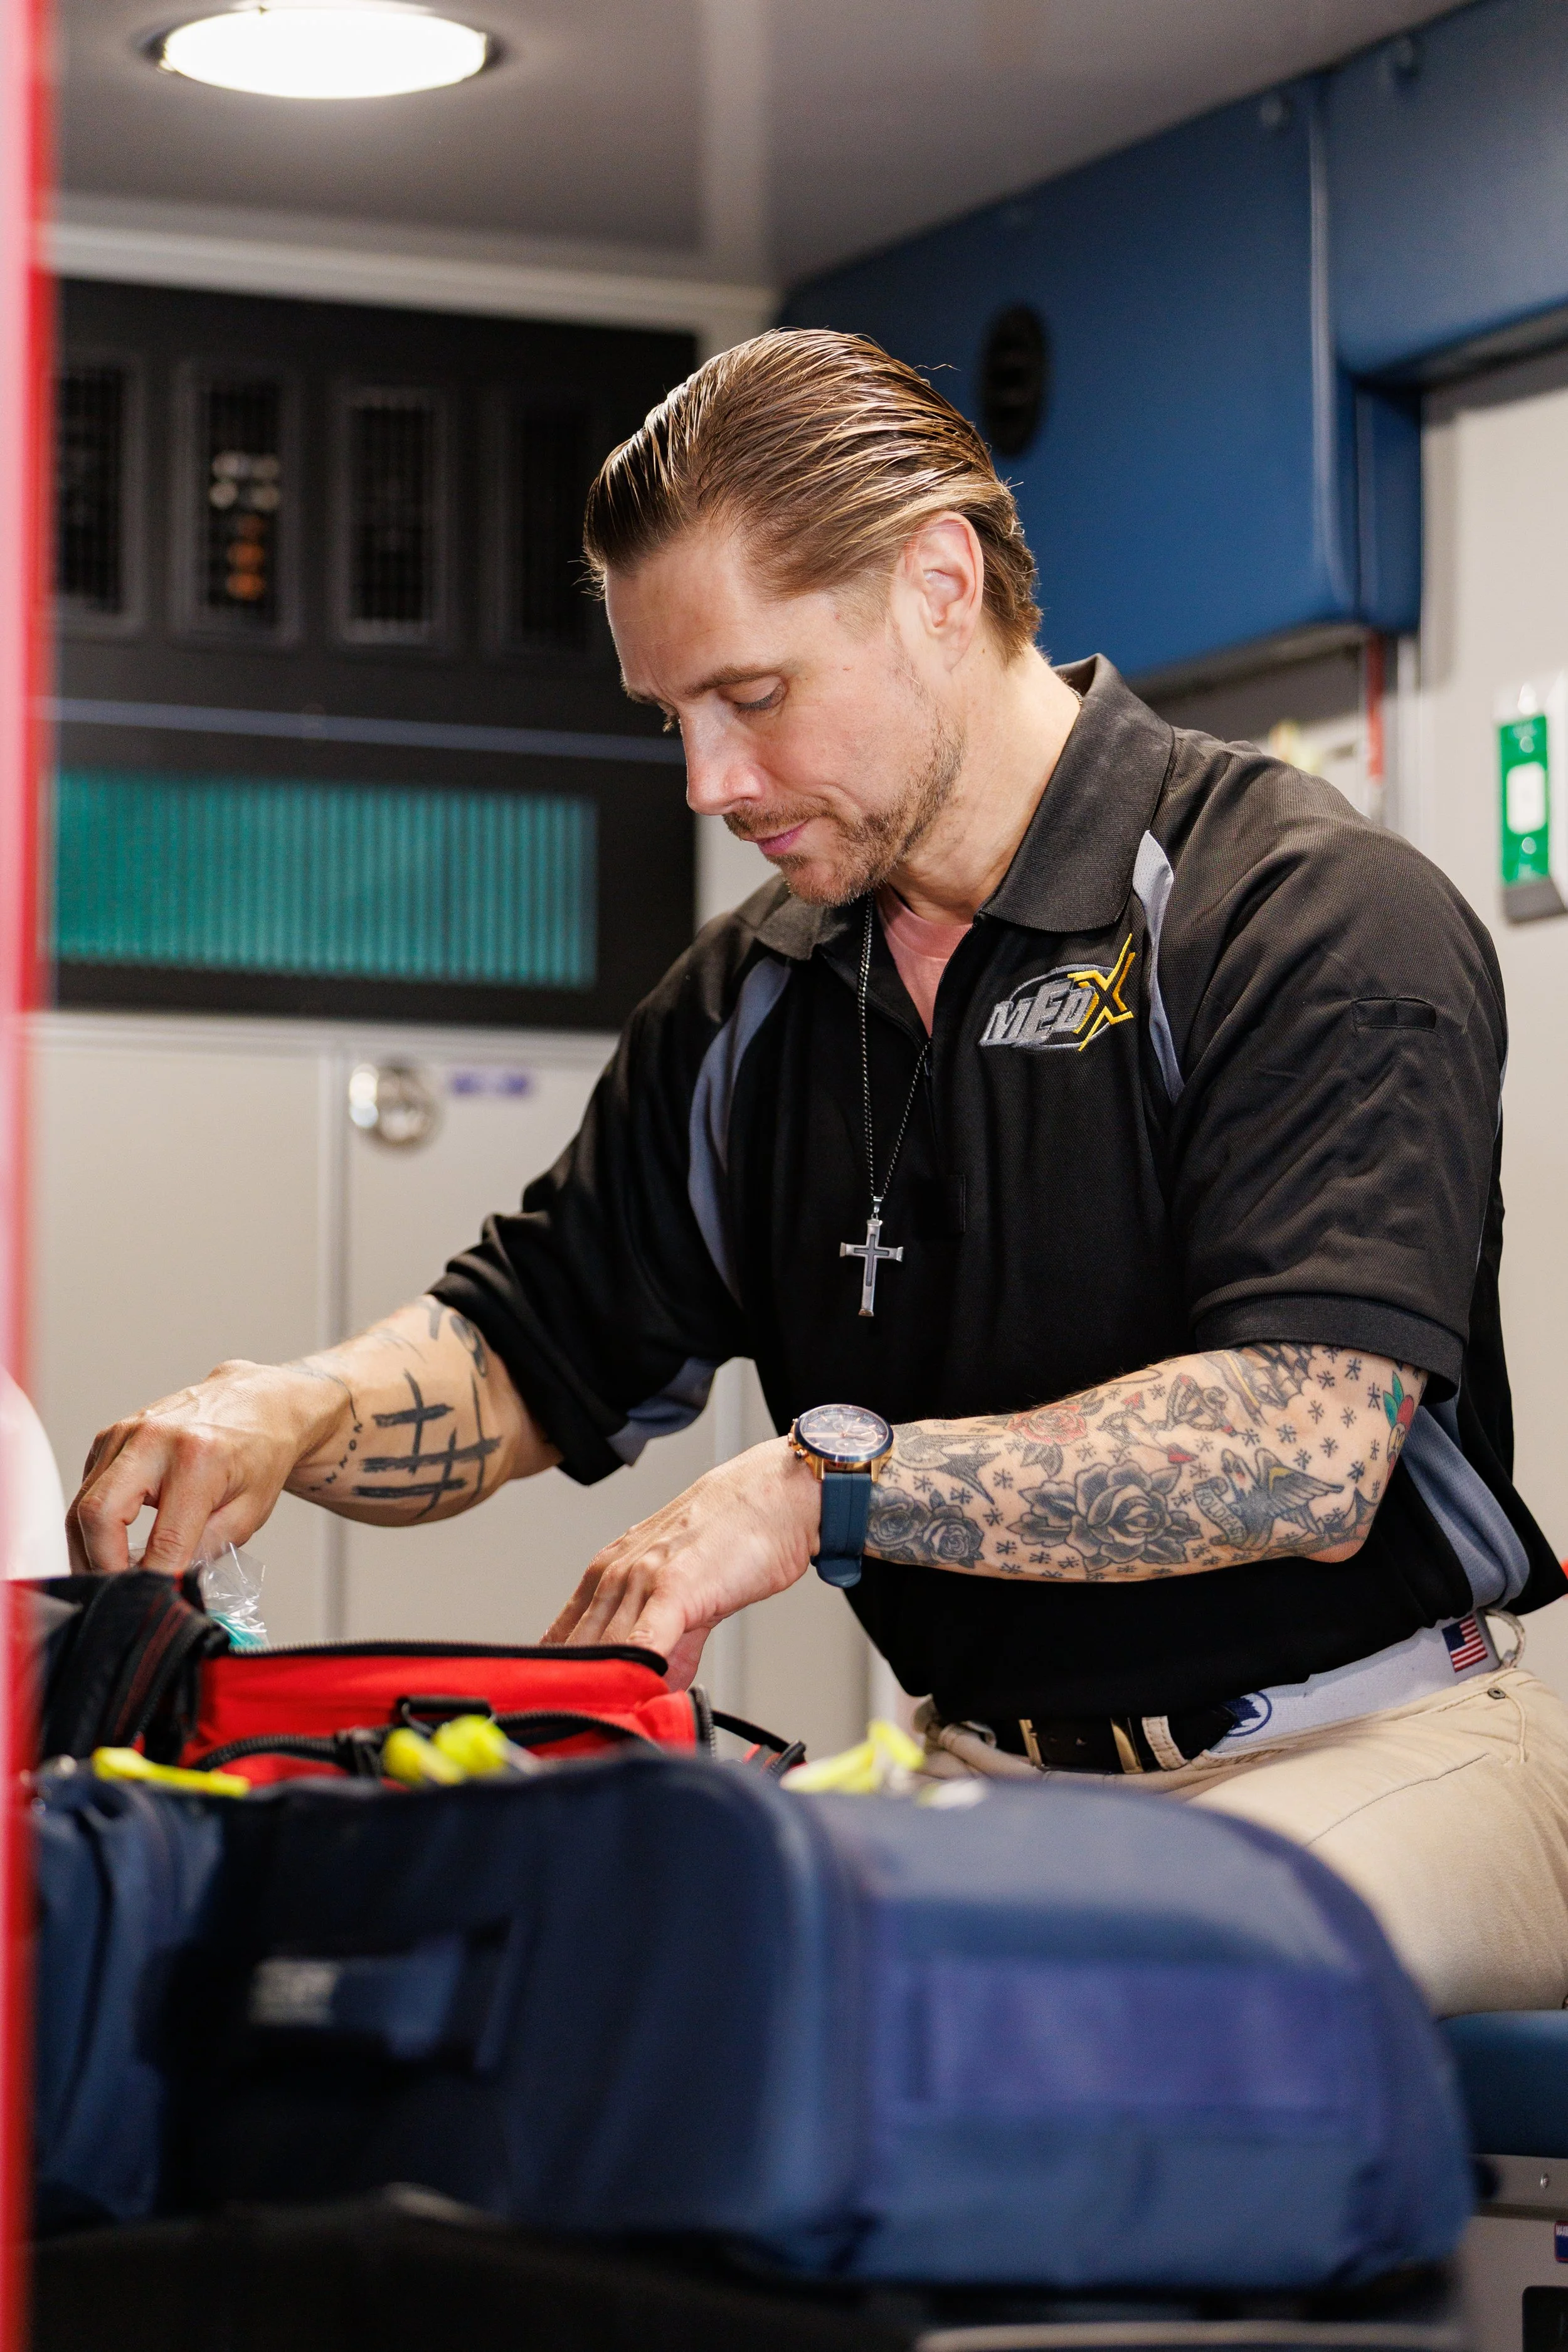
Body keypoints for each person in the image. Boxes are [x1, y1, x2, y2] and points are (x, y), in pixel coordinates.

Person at [67, 329, 1568, 2015]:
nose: (708, 783)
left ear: (938, 580)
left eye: (751, 696)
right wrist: (294, 1410)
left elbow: (1303, 1449)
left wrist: (816, 1485)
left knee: (1032, 1995)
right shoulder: (756, 1002)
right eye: (672, 717)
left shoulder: (1301, 914)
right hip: (987, 1778)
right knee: (626, 1989)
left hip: (1392, 1749)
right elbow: (526, 1344)